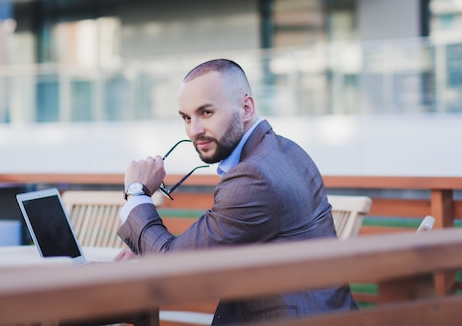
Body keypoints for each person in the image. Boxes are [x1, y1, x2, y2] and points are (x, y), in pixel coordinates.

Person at [115, 59, 357, 324]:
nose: (194, 130)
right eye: (186, 118)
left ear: (246, 107)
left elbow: (176, 267)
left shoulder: (254, 176)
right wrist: (151, 248)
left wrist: (137, 192)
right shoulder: (285, 151)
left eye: (206, 112)